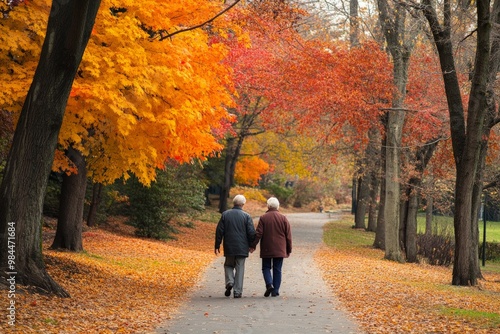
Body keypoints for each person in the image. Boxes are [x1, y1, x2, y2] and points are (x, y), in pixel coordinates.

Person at [215, 194, 255, 298]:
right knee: (240, 268)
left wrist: (217, 244)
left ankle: (230, 282)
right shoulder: (246, 216)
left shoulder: (225, 214)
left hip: (229, 246)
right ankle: (237, 292)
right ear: (243, 204)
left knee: (228, 265)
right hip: (242, 247)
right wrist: (252, 245)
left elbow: (219, 231)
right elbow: (251, 232)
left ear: (234, 203)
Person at [250, 197, 292, 297]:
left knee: (266, 268)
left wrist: (253, 245)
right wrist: (289, 249)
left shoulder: (263, 218)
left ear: (268, 206)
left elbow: (259, 233)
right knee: (277, 269)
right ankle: (275, 291)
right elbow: (288, 235)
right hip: (280, 248)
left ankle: (269, 284)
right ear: (278, 206)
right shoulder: (283, 218)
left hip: (267, 247)